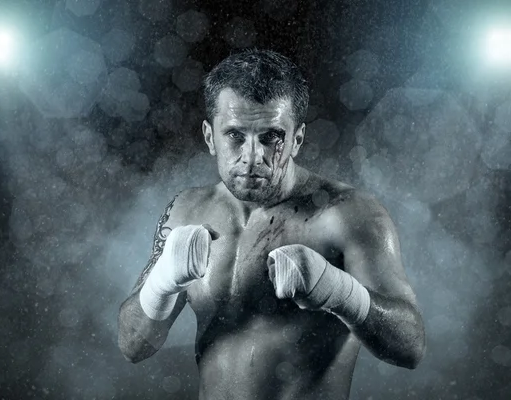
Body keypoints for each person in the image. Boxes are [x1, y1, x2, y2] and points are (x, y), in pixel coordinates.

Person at [117, 49, 426, 400]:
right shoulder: (186, 211)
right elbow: (133, 345)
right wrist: (162, 283)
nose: (252, 156)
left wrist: (339, 292)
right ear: (209, 137)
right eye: (235, 135)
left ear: (297, 139)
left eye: (271, 137)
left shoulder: (349, 215)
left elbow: (411, 347)